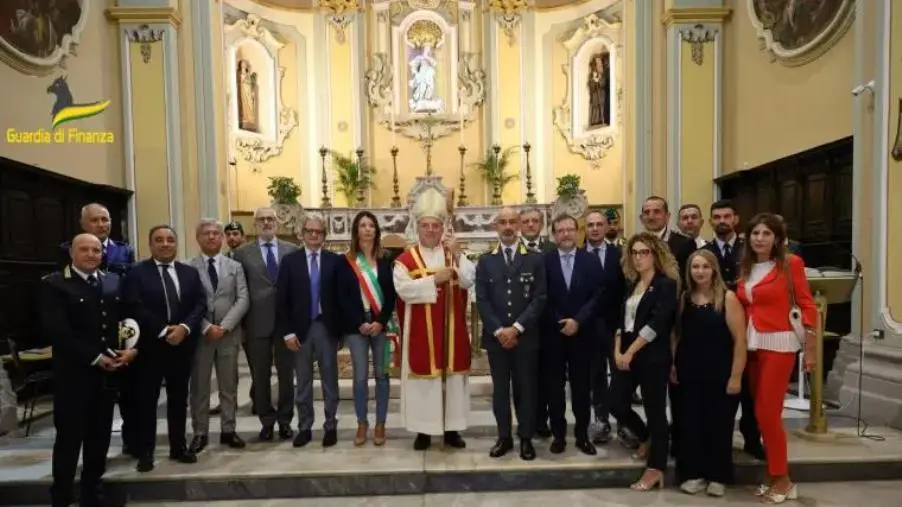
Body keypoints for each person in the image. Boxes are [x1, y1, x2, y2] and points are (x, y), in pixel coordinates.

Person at [43, 233, 135, 507]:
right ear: (72, 253)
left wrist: (130, 348)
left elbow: (122, 320)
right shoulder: (55, 284)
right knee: (69, 440)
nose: (92, 254)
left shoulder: (111, 281)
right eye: (84, 249)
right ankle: (61, 496)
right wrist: (95, 357)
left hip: (107, 376)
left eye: (96, 250)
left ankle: (92, 492)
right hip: (73, 376)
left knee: (99, 438)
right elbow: (58, 331)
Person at [737, 213, 817, 504]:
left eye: (766, 234)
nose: (760, 238)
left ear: (777, 239)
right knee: (760, 415)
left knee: (767, 415)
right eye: (755, 233)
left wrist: (810, 349)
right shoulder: (746, 267)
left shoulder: (790, 264)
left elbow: (807, 304)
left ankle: (783, 479)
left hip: (779, 344)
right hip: (752, 345)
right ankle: (773, 475)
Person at [393, 187, 475, 450]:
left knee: (452, 379)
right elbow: (403, 290)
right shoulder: (406, 259)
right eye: (426, 226)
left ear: (443, 229)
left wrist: (459, 254)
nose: (430, 230)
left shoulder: (453, 254)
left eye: (435, 226)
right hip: (422, 332)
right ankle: (424, 431)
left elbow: (469, 280)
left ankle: (452, 430)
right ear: (418, 228)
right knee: (424, 383)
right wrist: (433, 280)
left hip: (451, 329)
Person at [121, 225, 206, 472]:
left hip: (182, 345)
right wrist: (162, 330)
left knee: (178, 400)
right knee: (147, 401)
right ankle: (145, 451)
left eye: (170, 239)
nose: (165, 244)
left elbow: (200, 304)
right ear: (151, 245)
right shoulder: (137, 273)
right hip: (150, 347)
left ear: (176, 244)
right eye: (159, 240)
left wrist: (185, 328)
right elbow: (133, 306)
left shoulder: (189, 273)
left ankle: (178, 446)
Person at [673, 249, 747, 497]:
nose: (700, 271)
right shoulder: (684, 298)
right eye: (695, 267)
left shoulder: (727, 299)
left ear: (714, 269)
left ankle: (718, 475)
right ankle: (692, 473)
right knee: (689, 424)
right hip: (688, 371)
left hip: (719, 371)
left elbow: (740, 341)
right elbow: (678, 336)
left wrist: (736, 376)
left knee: (718, 425)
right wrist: (673, 365)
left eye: (705, 266)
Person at [475, 207, 547, 461]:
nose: (507, 226)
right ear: (496, 226)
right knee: (500, 392)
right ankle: (504, 437)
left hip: (525, 338)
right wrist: (499, 330)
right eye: (502, 222)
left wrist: (516, 328)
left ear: (519, 226)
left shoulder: (535, 259)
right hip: (497, 340)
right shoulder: (486, 261)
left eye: (512, 222)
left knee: (525, 389)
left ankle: (525, 438)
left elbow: (540, 298)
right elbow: (481, 300)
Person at [610, 232, 679, 491]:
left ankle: (655, 468)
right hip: (627, 349)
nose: (638, 258)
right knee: (616, 402)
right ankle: (647, 437)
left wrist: (631, 352)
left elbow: (657, 324)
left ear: (656, 254)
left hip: (652, 354)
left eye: (644, 252)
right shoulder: (633, 284)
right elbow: (621, 321)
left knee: (655, 410)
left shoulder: (665, 284)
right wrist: (618, 350)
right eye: (635, 253)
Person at [277, 214, 351, 448]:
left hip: (325, 327)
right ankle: (305, 427)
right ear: (302, 233)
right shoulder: (290, 261)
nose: (313, 235)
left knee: (330, 379)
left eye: (318, 232)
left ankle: (330, 425)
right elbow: (282, 301)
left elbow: (342, 298)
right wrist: (287, 333)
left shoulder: (335, 261)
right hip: (300, 330)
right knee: (303, 381)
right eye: (309, 231)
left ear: (324, 236)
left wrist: (340, 332)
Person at [704, 200, 764, 460]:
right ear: (710, 222)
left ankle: (752, 437)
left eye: (727, 216)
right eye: (716, 217)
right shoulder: (704, 252)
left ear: (736, 219)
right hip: (714, 326)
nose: (722, 221)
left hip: (750, 324)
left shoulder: (748, 250)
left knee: (749, 388)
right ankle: (718, 441)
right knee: (718, 389)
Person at [232, 207, 299, 441]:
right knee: (259, 377)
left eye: (271, 219)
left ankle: (285, 420)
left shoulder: (292, 251)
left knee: (286, 377)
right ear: (255, 225)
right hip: (255, 323)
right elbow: (238, 290)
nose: (267, 222)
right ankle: (267, 421)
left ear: (277, 223)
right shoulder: (241, 254)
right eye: (262, 219)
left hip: (285, 325)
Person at [542, 214, 603, 456]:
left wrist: (578, 320)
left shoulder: (589, 260)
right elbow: (541, 295)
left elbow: (598, 294)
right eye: (560, 230)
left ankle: (581, 435)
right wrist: (561, 322)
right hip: (553, 334)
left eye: (570, 230)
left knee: (581, 388)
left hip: (583, 334)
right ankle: (558, 435)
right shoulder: (544, 261)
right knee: (554, 389)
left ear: (578, 232)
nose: (565, 234)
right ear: (554, 234)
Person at [187, 219, 249, 454]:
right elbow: (187, 302)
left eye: (215, 233)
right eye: (206, 234)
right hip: (201, 337)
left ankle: (228, 429)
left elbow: (243, 298)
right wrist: (205, 327)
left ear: (222, 238)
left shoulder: (234, 267)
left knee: (228, 385)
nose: (212, 237)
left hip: (228, 335)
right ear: (198, 238)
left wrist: (224, 326)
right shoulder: (189, 267)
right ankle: (200, 432)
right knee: (200, 387)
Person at [343, 211, 397, 446]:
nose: (367, 229)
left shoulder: (388, 259)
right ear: (356, 230)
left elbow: (393, 295)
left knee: (382, 376)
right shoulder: (346, 261)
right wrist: (359, 322)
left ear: (376, 230)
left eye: (371, 225)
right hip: (356, 327)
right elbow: (342, 297)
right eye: (362, 225)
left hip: (380, 325)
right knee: (360, 377)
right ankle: (362, 423)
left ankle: (380, 424)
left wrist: (380, 322)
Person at [582, 210, 625, 444]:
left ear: (607, 226)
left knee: (619, 375)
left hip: (615, 324)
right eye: (590, 225)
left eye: (599, 224)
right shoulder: (577, 256)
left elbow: (625, 288)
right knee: (595, 375)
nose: (595, 229)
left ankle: (623, 422)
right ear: (585, 228)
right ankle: (601, 420)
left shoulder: (619, 254)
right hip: (588, 327)